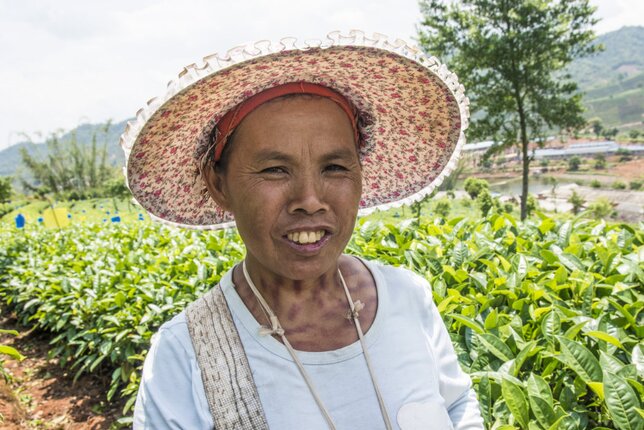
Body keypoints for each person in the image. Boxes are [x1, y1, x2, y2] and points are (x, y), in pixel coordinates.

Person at [123, 30, 483, 429]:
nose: (310, 199)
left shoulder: (407, 298)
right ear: (219, 184)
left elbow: (457, 404)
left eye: (335, 167)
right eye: (275, 170)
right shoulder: (187, 352)